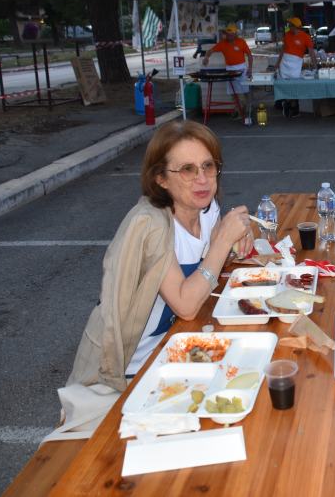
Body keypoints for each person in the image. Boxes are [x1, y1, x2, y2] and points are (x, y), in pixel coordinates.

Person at [64, 121, 254, 412]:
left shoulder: (205, 207)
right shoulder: (149, 225)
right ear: (161, 179)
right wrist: (222, 242)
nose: (202, 179)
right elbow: (186, 305)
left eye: (208, 166)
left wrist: (237, 235)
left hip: (174, 344)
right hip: (130, 369)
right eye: (187, 170)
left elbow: (217, 251)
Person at [202, 24, 253, 121]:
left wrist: (250, 69)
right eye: (227, 34)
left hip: (242, 69)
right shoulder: (222, 43)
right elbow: (210, 51)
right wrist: (206, 57)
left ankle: (247, 109)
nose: (228, 36)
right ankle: (239, 111)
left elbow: (250, 55)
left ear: (235, 34)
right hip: (230, 70)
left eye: (230, 34)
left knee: (245, 91)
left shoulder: (241, 42)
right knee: (234, 93)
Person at [276, 17, 316, 117]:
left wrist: (315, 65)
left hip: (296, 63)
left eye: (291, 26)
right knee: (285, 84)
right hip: (285, 62)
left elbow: (311, 52)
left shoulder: (306, 37)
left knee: (295, 84)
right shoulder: (287, 35)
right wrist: (277, 63)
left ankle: (294, 106)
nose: (289, 27)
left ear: (297, 27)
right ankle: (287, 103)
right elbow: (282, 49)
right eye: (289, 25)